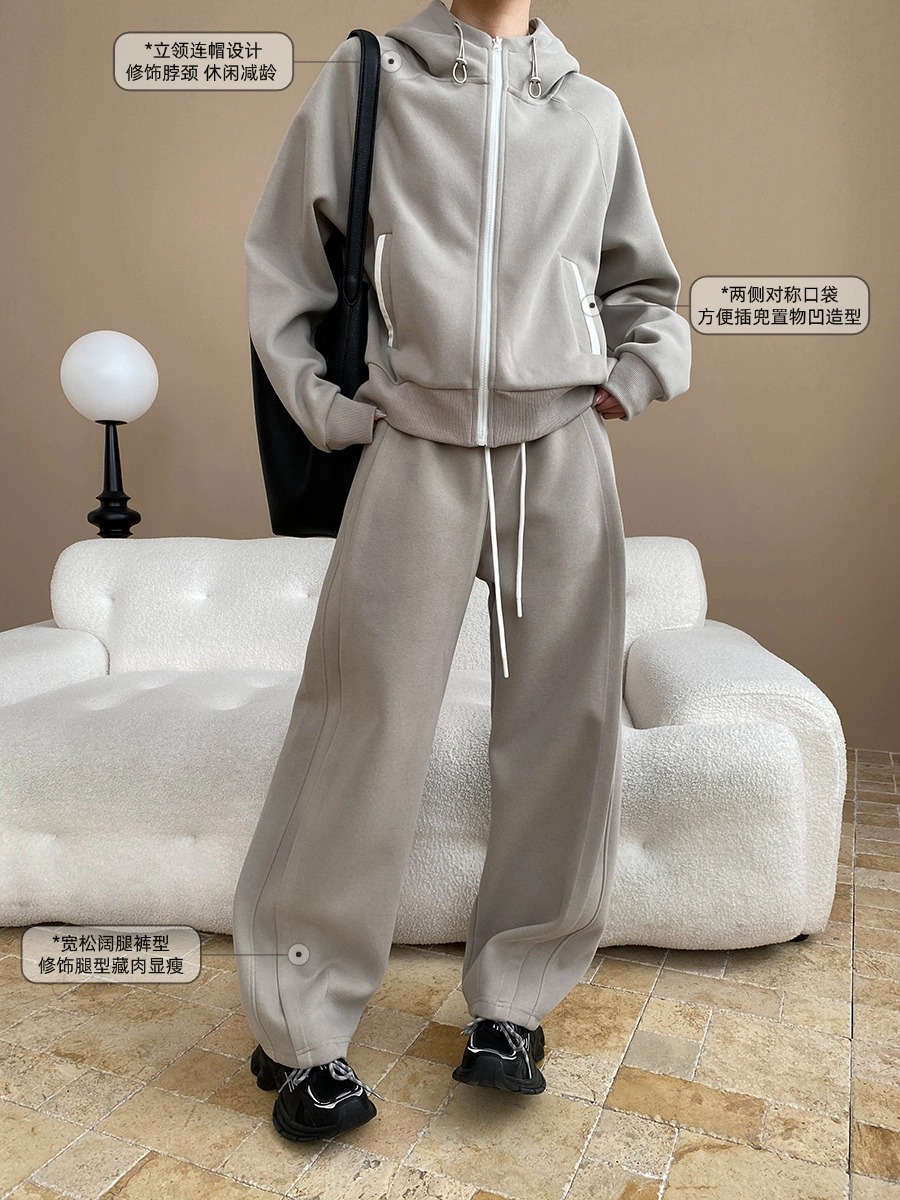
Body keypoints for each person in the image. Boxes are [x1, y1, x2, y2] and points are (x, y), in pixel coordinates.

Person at [233, 0, 692, 1143]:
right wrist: (330, 411)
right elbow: (285, 264)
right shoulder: (371, 80)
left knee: (563, 730)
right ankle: (300, 1027)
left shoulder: (593, 112)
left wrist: (631, 376)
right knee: (363, 728)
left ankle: (514, 1005)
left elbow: (648, 290)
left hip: (559, 454)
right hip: (416, 447)